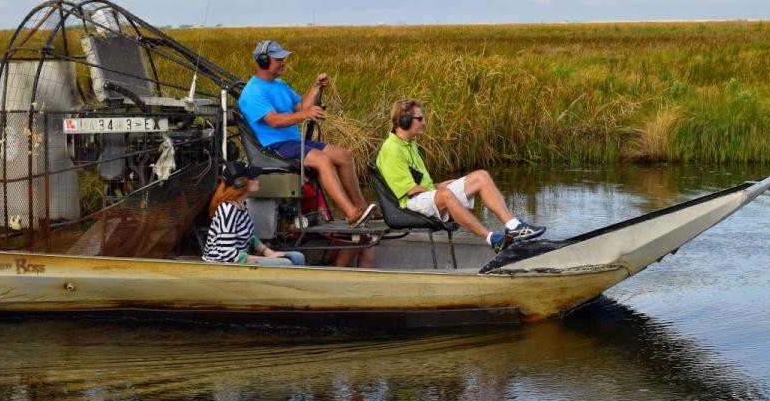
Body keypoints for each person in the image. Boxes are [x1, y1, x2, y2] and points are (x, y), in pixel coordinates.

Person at [376, 99, 546, 252]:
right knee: (445, 194)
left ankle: (513, 225)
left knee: (481, 176)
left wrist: (436, 186)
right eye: (420, 119)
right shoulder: (392, 149)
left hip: (423, 197)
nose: (424, 123)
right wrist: (439, 191)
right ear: (405, 121)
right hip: (408, 206)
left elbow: (418, 184)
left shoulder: (409, 144)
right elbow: (410, 191)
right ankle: (491, 238)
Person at [237, 39, 375, 227]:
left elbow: (301, 106)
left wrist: (316, 87)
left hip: (293, 141)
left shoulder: (280, 84)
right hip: (274, 147)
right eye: (278, 59)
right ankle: (351, 214)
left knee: (343, 155)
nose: (283, 63)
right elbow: (274, 120)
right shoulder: (252, 92)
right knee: (322, 160)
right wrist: (305, 114)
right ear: (263, 61)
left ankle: (362, 208)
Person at [203, 161, 307, 266]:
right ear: (240, 183)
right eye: (253, 178)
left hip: (238, 261)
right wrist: (266, 259)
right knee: (286, 263)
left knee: (298, 257)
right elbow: (227, 254)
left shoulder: (241, 204)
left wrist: (268, 252)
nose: (257, 180)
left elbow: (249, 237)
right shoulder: (228, 210)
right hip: (222, 266)